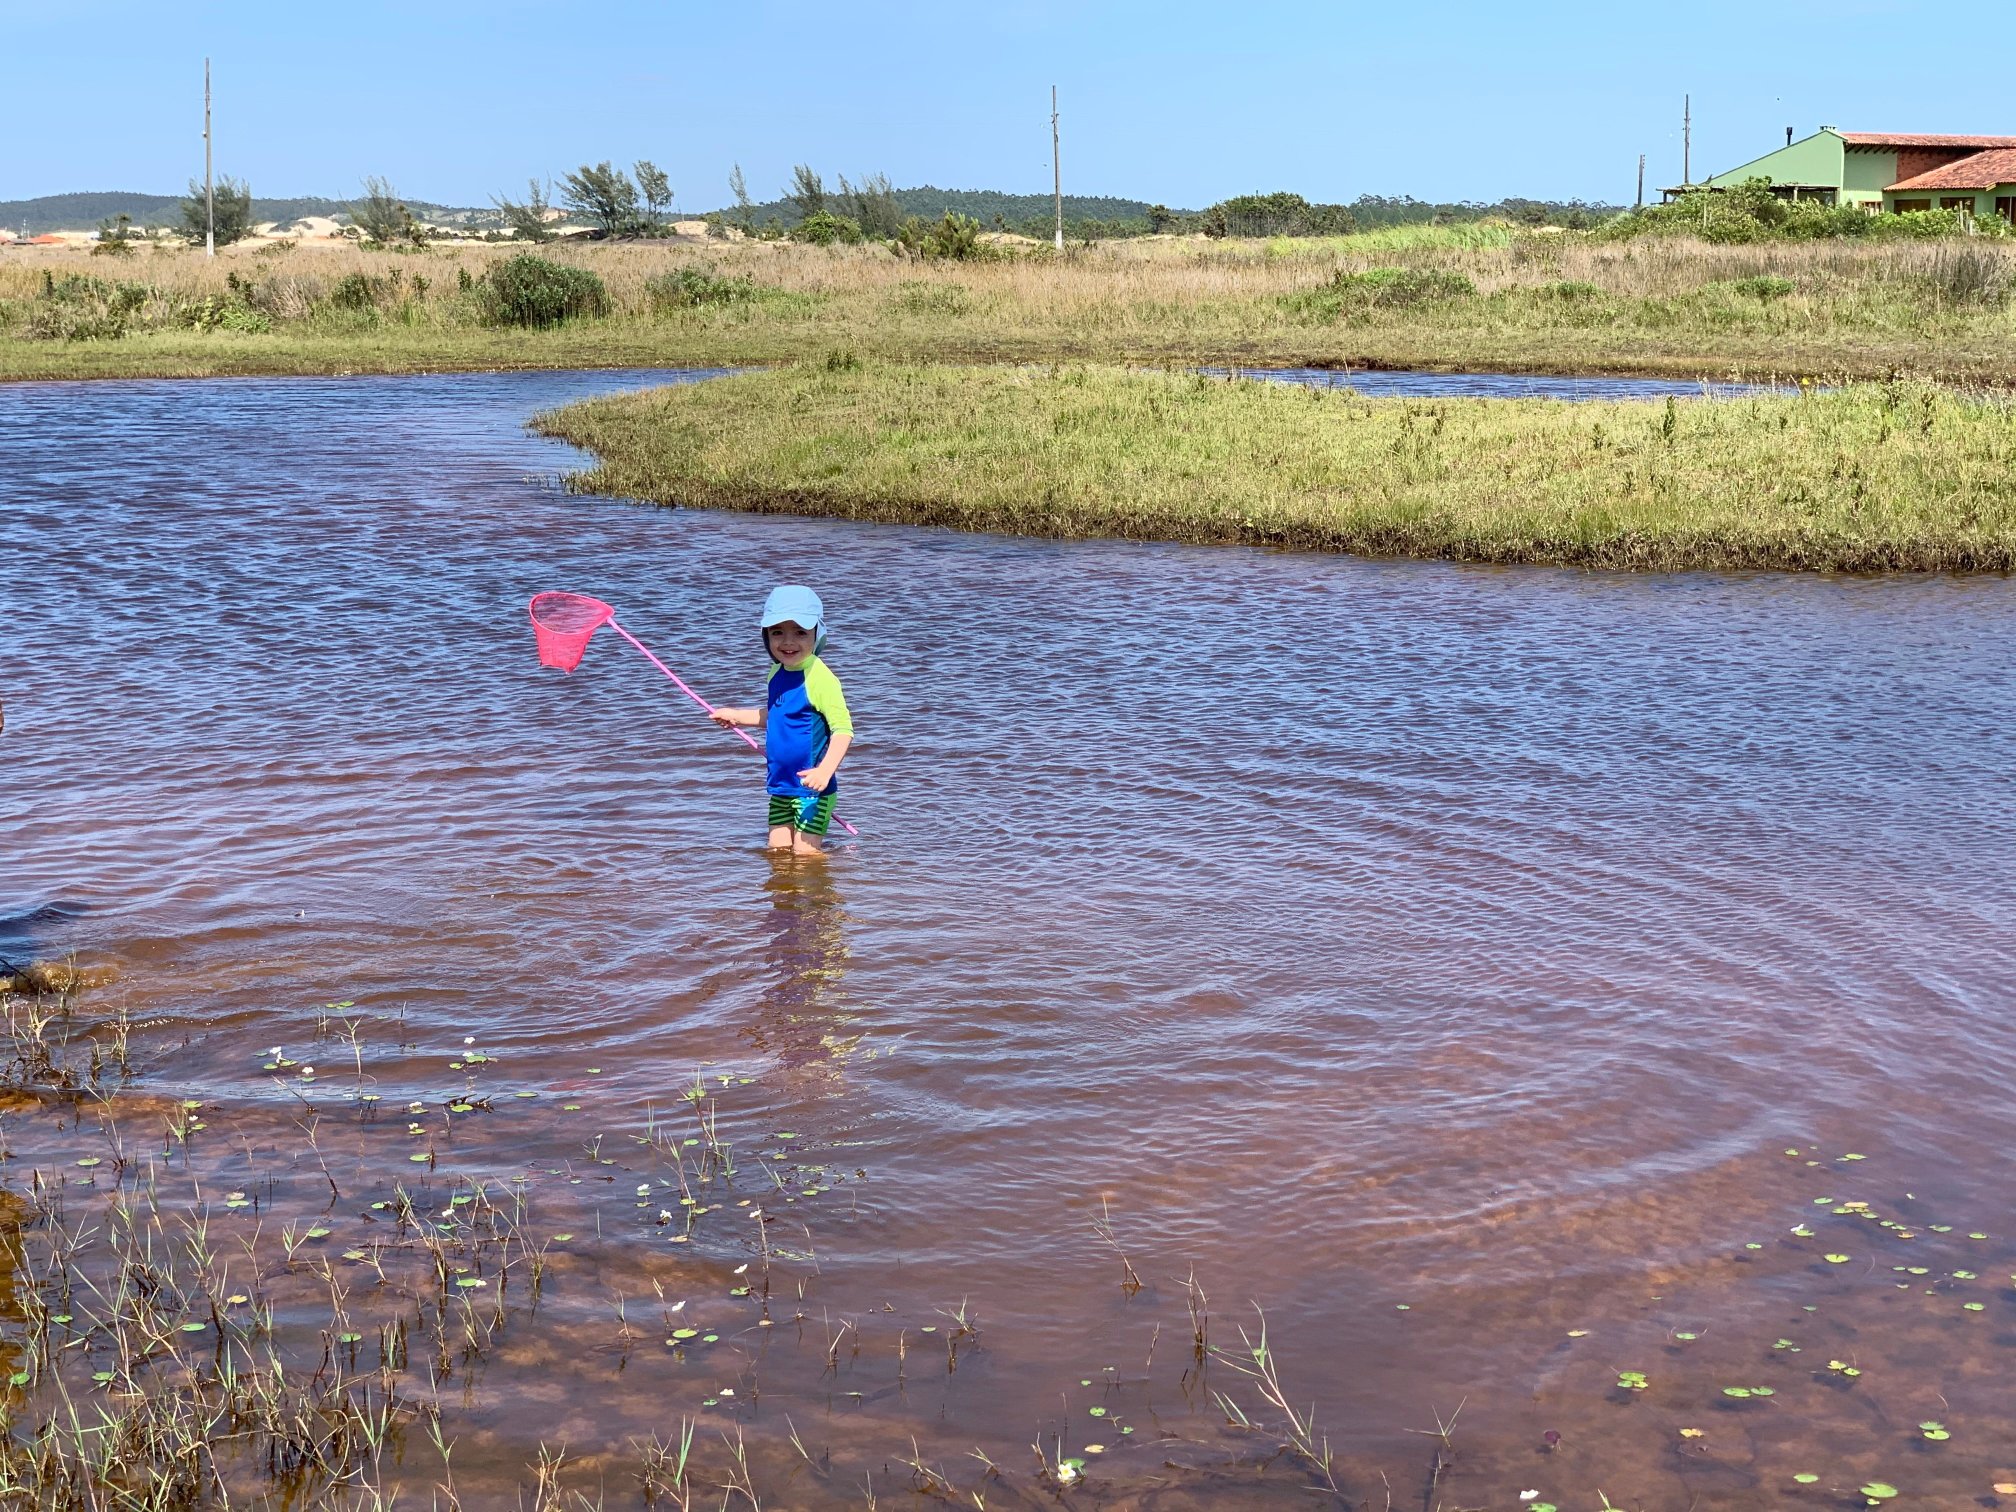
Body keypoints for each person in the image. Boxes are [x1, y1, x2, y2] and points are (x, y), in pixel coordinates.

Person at [711, 585, 853, 856]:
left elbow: (843, 730)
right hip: (781, 784)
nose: (788, 642)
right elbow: (776, 717)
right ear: (766, 636)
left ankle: (824, 896)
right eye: (778, 632)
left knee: (806, 857)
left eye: (800, 632)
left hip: (812, 788)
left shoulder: (820, 679)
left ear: (817, 634)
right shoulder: (777, 673)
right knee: (777, 853)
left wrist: (824, 771)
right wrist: (737, 716)